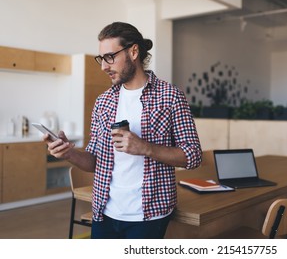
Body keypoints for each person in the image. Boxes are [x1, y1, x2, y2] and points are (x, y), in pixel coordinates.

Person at [44, 22, 202, 239]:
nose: (103, 66)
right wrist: (68, 153)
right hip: (105, 211)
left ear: (133, 51)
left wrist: (144, 147)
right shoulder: (103, 102)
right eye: (101, 59)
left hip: (149, 215)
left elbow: (193, 156)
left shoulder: (170, 96)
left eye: (110, 57)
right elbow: (94, 161)